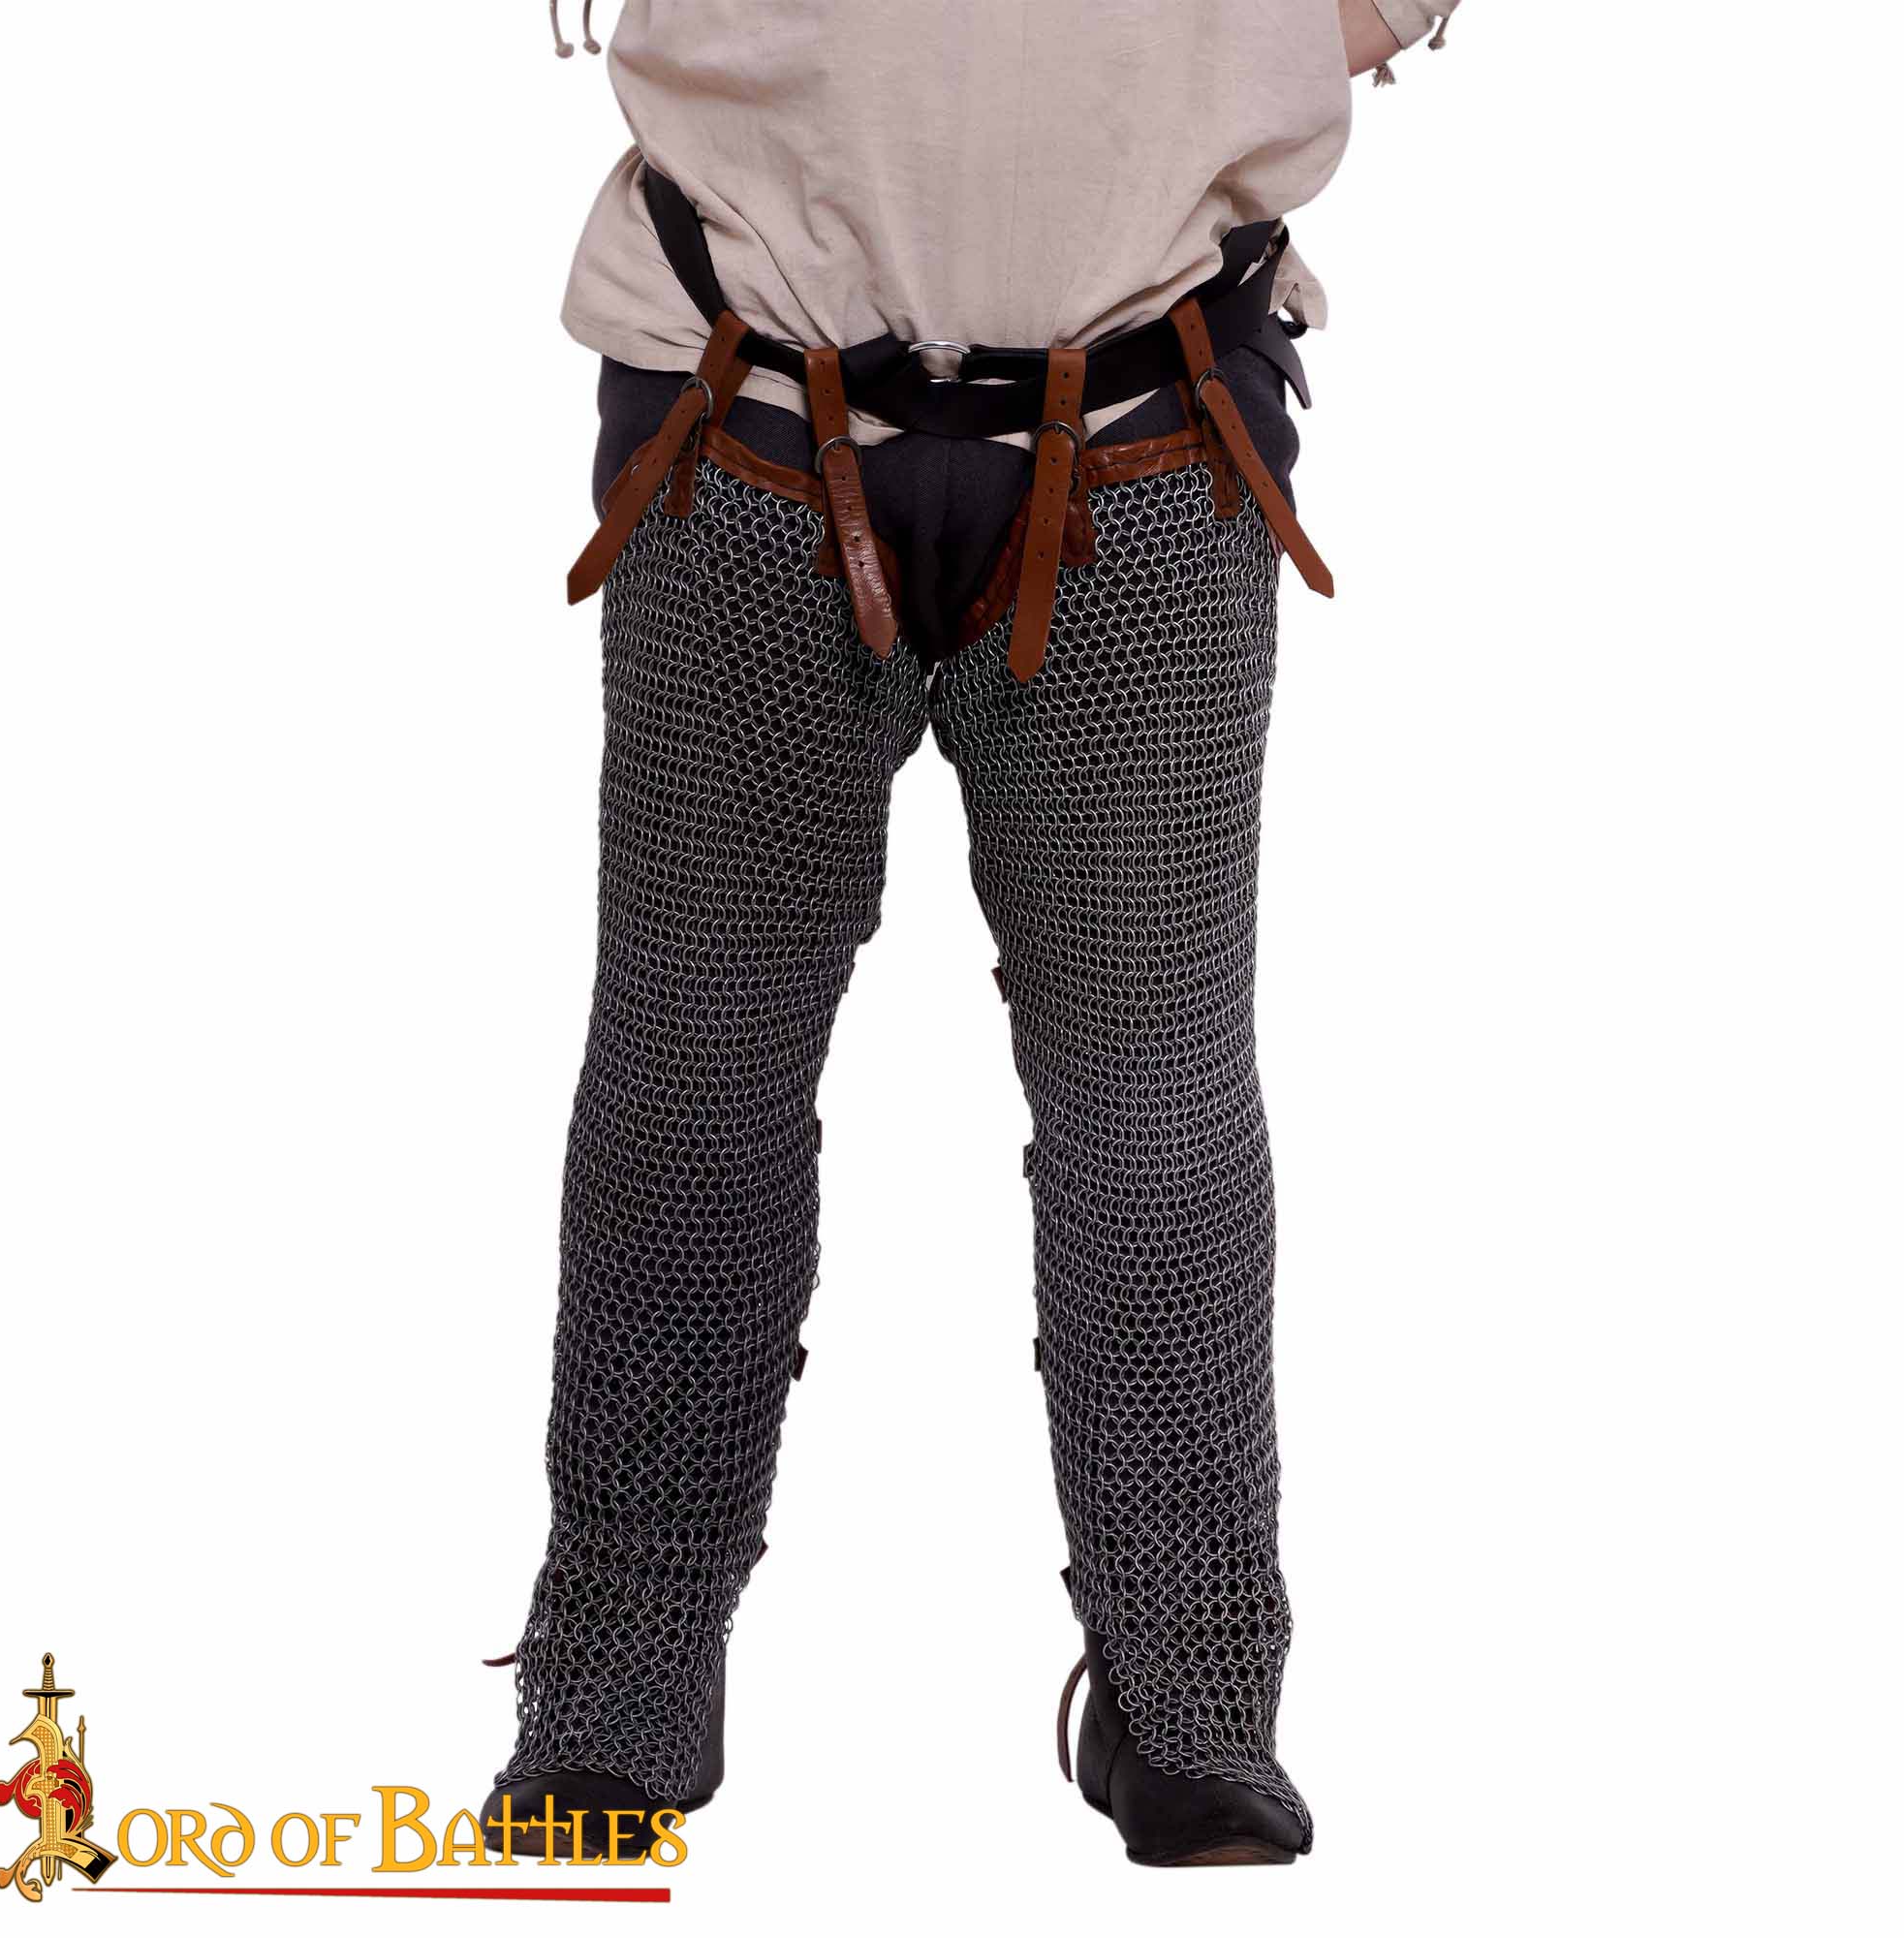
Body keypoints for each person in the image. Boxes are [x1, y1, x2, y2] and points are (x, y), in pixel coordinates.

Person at [484, 0, 1460, 1869]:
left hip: (1148, 418)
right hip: (745, 403)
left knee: (1153, 1106)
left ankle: (1188, 1701)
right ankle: (618, 1682)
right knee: (692, 1085)